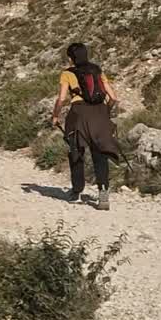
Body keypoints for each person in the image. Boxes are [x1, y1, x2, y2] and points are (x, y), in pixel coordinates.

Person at [52, 43, 119, 210]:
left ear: (71, 57)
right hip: (100, 113)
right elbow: (113, 97)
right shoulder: (97, 70)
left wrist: (55, 116)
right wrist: (105, 112)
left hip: (79, 114)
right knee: (100, 153)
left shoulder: (67, 73)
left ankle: (76, 190)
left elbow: (61, 98)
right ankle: (103, 193)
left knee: (76, 150)